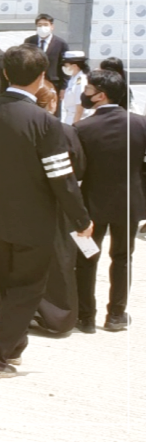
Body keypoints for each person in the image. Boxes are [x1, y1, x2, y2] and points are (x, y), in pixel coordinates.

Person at [0, 44, 92, 379]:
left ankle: (13, 345)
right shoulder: (44, 122)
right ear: (42, 76)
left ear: (4, 73)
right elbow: (61, 177)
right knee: (28, 287)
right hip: (34, 221)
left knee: (2, 284)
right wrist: (81, 219)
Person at [73, 70, 146, 333]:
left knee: (86, 258)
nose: (85, 94)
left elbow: (76, 170)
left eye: (88, 90)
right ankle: (116, 315)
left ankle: (85, 317)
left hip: (90, 204)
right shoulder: (141, 124)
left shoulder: (82, 128)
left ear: (100, 96)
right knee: (123, 257)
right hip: (130, 202)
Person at [31, 82, 86, 335]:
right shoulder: (64, 131)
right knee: (60, 260)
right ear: (52, 103)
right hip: (59, 203)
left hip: (27, 202)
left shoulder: (23, 127)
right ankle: (59, 315)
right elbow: (79, 168)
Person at [24, 13, 69, 113]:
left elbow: (65, 66)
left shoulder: (61, 44)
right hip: (33, 83)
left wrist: (64, 87)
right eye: (39, 25)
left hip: (53, 84)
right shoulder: (29, 41)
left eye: (45, 25)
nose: (42, 28)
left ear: (52, 26)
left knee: (53, 111)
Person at [60, 50, 91, 125]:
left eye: (66, 66)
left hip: (77, 119)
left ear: (74, 66)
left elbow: (80, 107)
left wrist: (75, 126)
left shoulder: (81, 81)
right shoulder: (73, 79)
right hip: (69, 117)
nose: (64, 68)